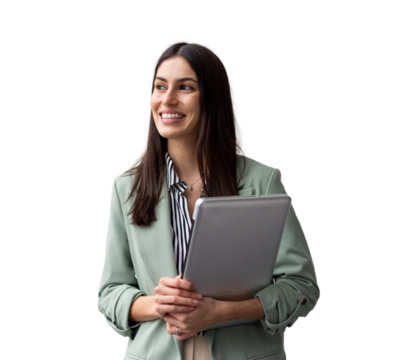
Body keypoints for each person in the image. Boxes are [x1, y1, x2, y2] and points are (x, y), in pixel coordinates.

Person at [97, 38, 320, 360]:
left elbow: (302, 287)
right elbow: (110, 293)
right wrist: (158, 304)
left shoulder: (262, 180)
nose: (167, 99)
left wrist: (221, 312)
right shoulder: (125, 187)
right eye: (160, 87)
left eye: (185, 87)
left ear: (212, 99)